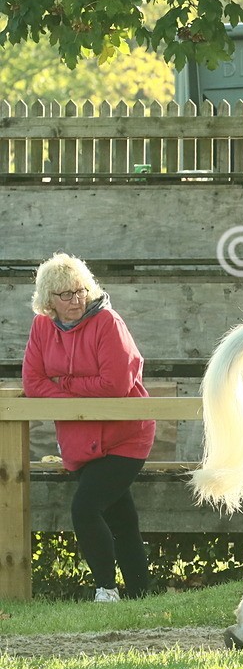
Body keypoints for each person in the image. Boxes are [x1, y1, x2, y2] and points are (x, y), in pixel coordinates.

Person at [22, 253, 155, 602]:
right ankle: (143, 594)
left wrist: (63, 384)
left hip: (126, 436)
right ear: (48, 299)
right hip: (80, 441)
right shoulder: (41, 327)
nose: (76, 300)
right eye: (65, 294)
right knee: (122, 518)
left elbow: (115, 384)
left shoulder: (107, 322)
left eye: (80, 290)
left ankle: (105, 590)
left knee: (86, 508)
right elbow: (33, 382)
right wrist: (76, 387)